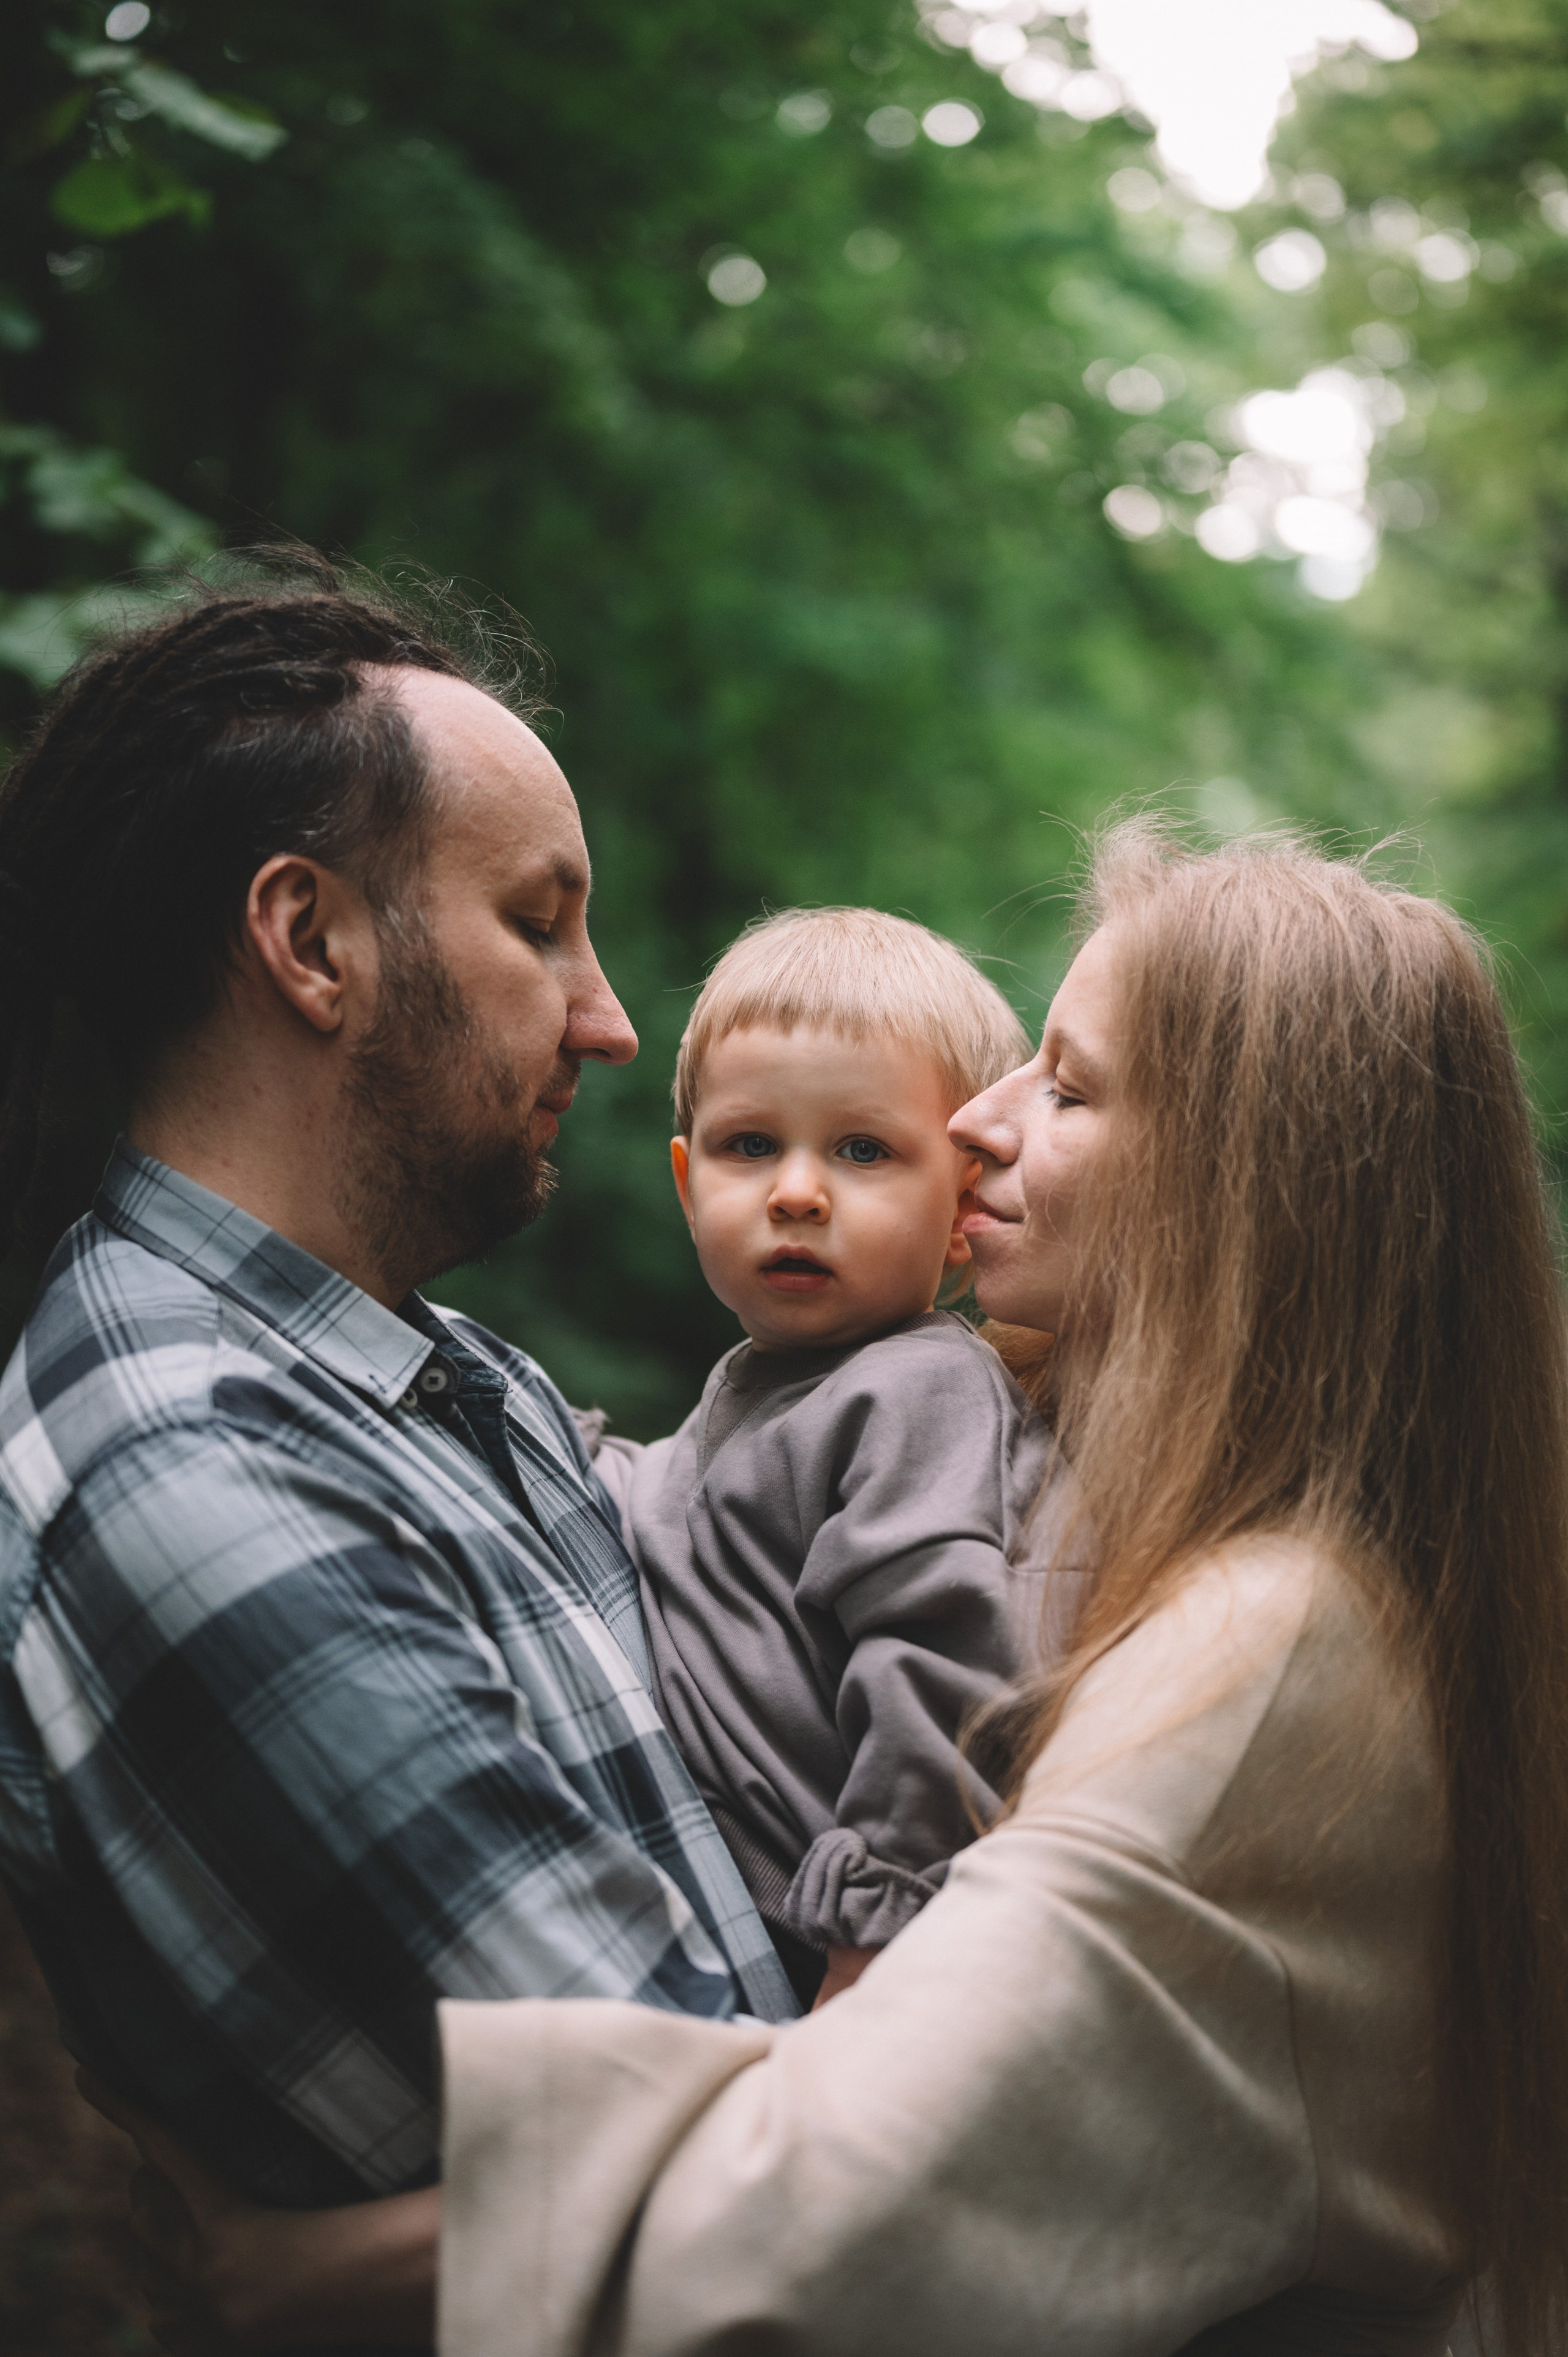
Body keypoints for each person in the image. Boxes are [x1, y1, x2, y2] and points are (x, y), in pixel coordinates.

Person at [108, 822, 1568, 2356]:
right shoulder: (1095, 1496)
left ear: (1247, 1187)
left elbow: (867, 2188)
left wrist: (299, 2277)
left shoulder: (1266, 1647)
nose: (978, 1124)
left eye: (1065, 1088)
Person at [0, 555, 796, 2246]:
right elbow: (754, 2193)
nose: (608, 1021)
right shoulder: (188, 1465)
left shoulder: (431, 1374)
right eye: (536, 922)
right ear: (310, 942)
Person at [588, 906, 1079, 2009]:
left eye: (862, 1151)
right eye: (749, 1146)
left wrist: (879, 1927)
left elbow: (944, 1662)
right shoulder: (767, 1385)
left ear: (963, 1213)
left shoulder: (922, 1391)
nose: (797, 1190)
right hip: (733, 1906)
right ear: (687, 1183)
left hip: (846, 1945)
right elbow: (682, 1504)